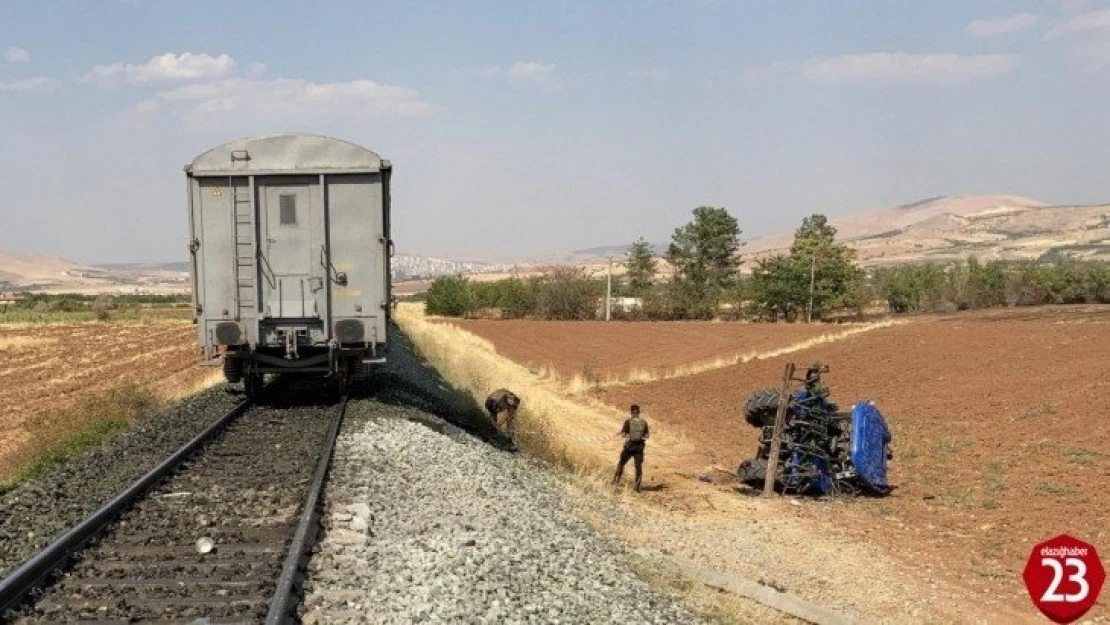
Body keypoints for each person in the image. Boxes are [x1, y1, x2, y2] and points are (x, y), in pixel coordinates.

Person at [613, 404, 649, 491]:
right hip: (639, 447)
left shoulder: (628, 422)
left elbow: (623, 435)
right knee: (638, 467)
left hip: (629, 446)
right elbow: (647, 436)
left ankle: (616, 481)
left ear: (631, 412)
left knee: (621, 463)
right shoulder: (644, 422)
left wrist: (627, 435)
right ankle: (637, 487)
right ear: (639, 412)